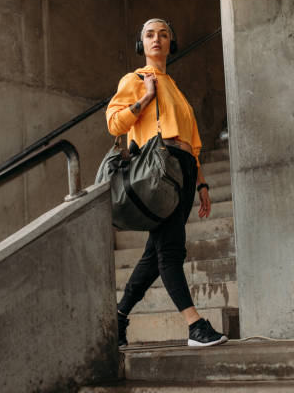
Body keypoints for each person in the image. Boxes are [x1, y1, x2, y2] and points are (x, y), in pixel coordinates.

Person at [106, 18, 228, 348]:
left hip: (184, 169)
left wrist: (201, 183)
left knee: (154, 254)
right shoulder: (136, 79)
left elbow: (193, 142)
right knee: (170, 249)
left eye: (163, 35)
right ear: (140, 44)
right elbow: (115, 123)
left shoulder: (173, 85)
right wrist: (145, 98)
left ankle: (117, 318)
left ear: (171, 44)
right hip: (161, 169)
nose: (157, 39)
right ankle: (195, 326)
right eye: (149, 34)